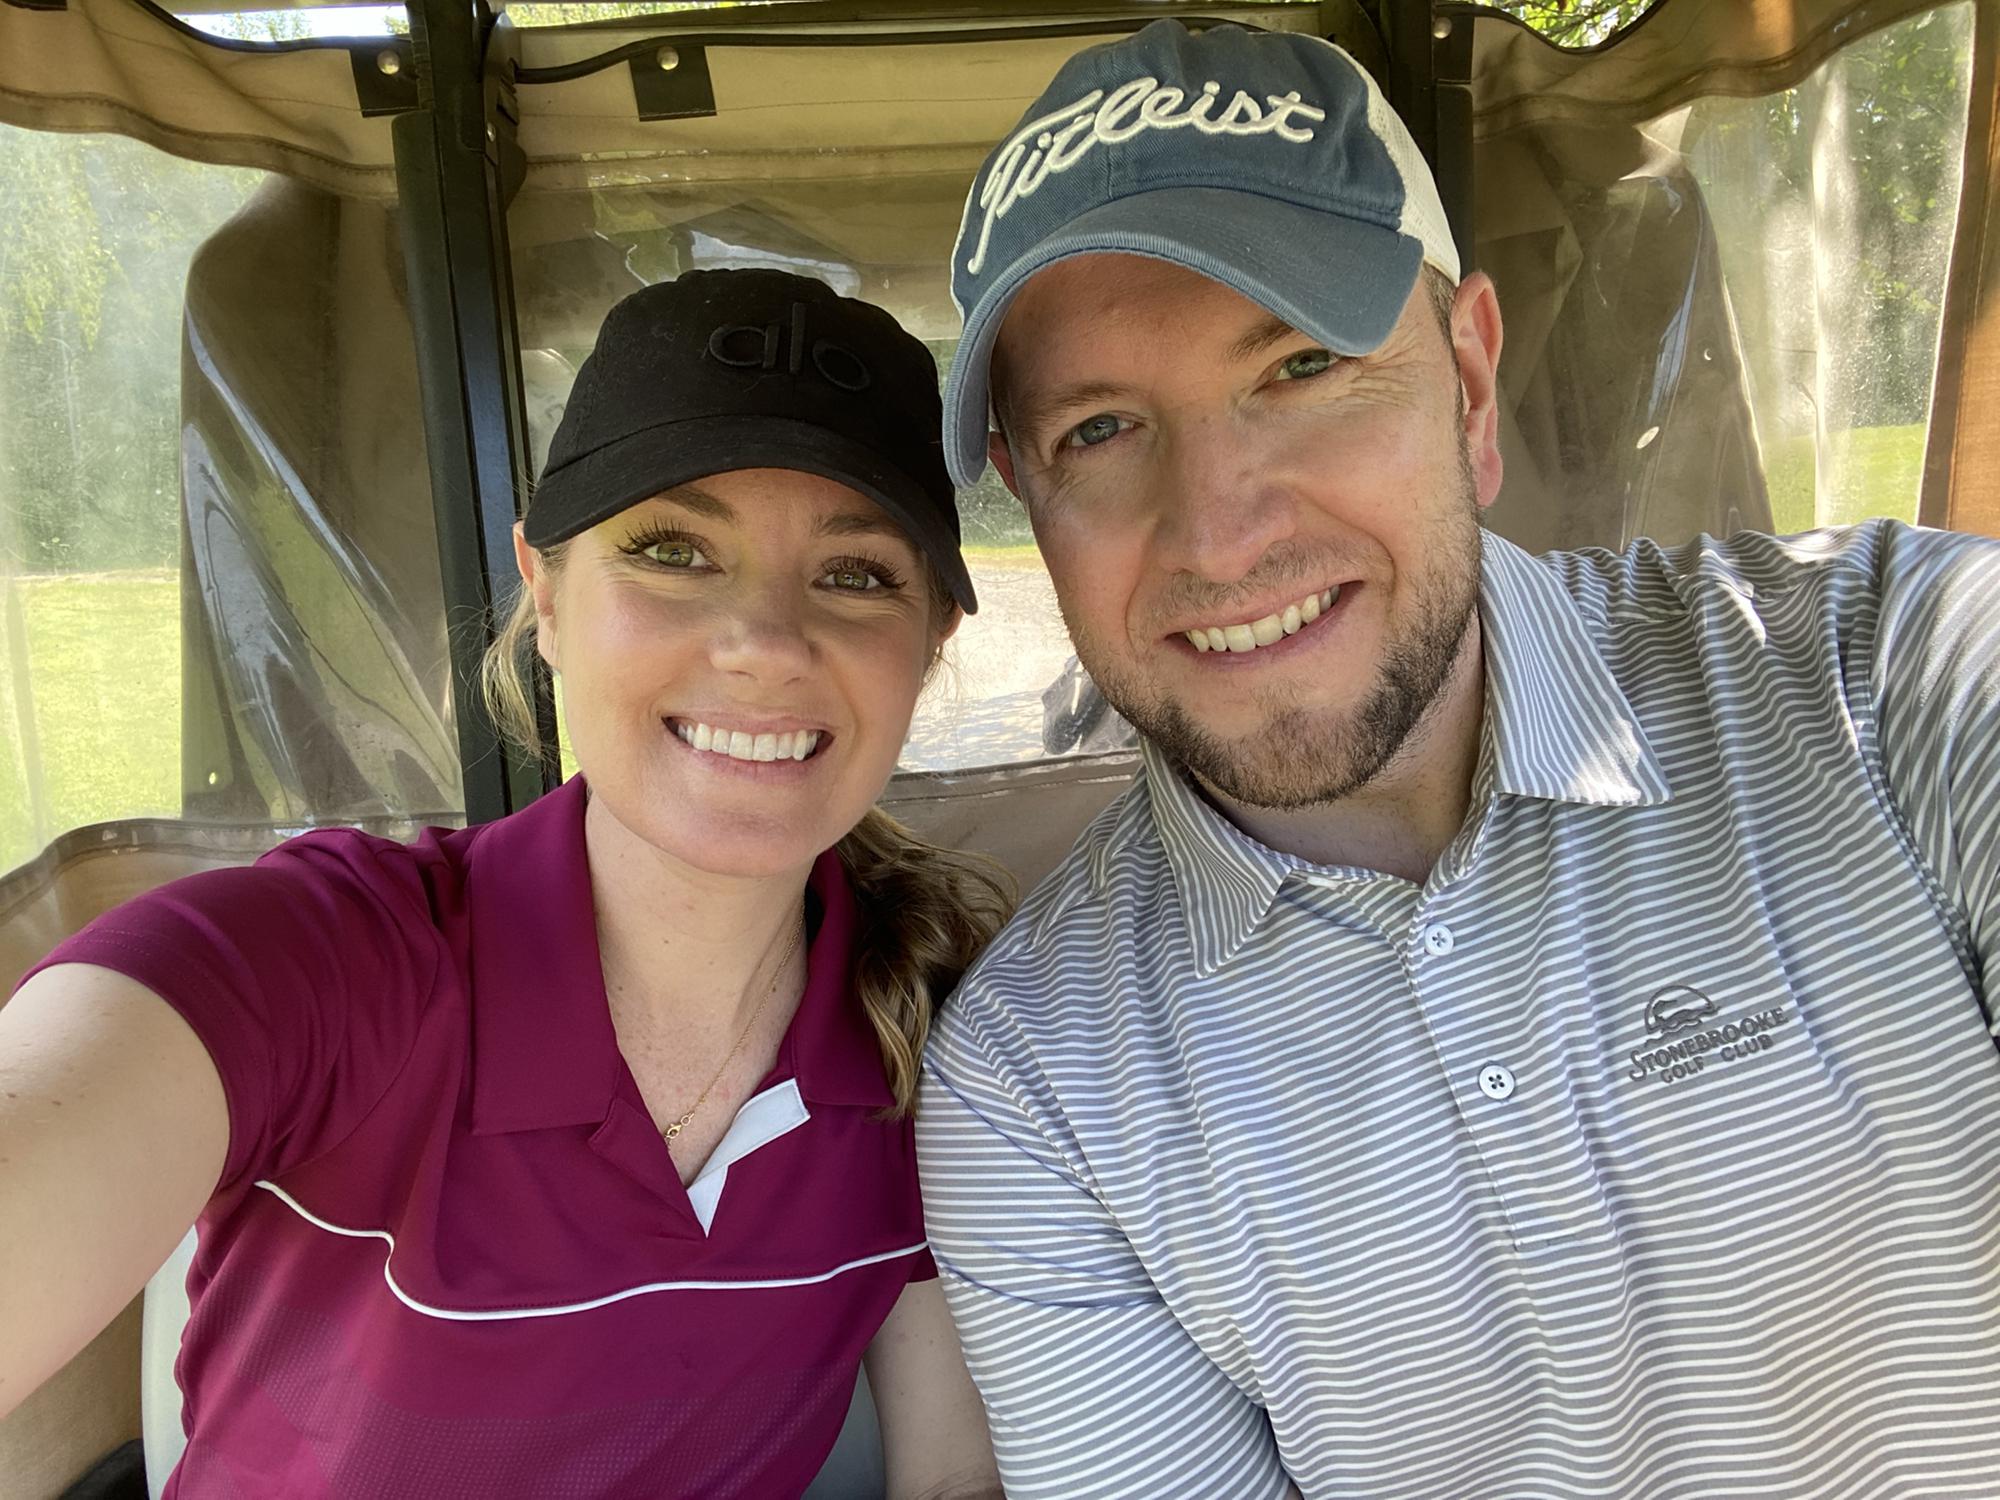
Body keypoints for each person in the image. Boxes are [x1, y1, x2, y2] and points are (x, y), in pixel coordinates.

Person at [916, 19, 2000, 1499]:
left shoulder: (1900, 674)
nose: (1221, 532)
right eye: (1100, 428)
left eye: (1303, 365)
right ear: (1031, 508)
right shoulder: (1037, 1090)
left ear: (1472, 390)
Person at [0, 267, 1009, 1499]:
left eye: (855, 573)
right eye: (673, 550)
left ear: (929, 642)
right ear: (543, 592)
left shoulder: (940, 1040)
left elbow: (953, 1475)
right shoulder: (324, 960)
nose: (762, 642)